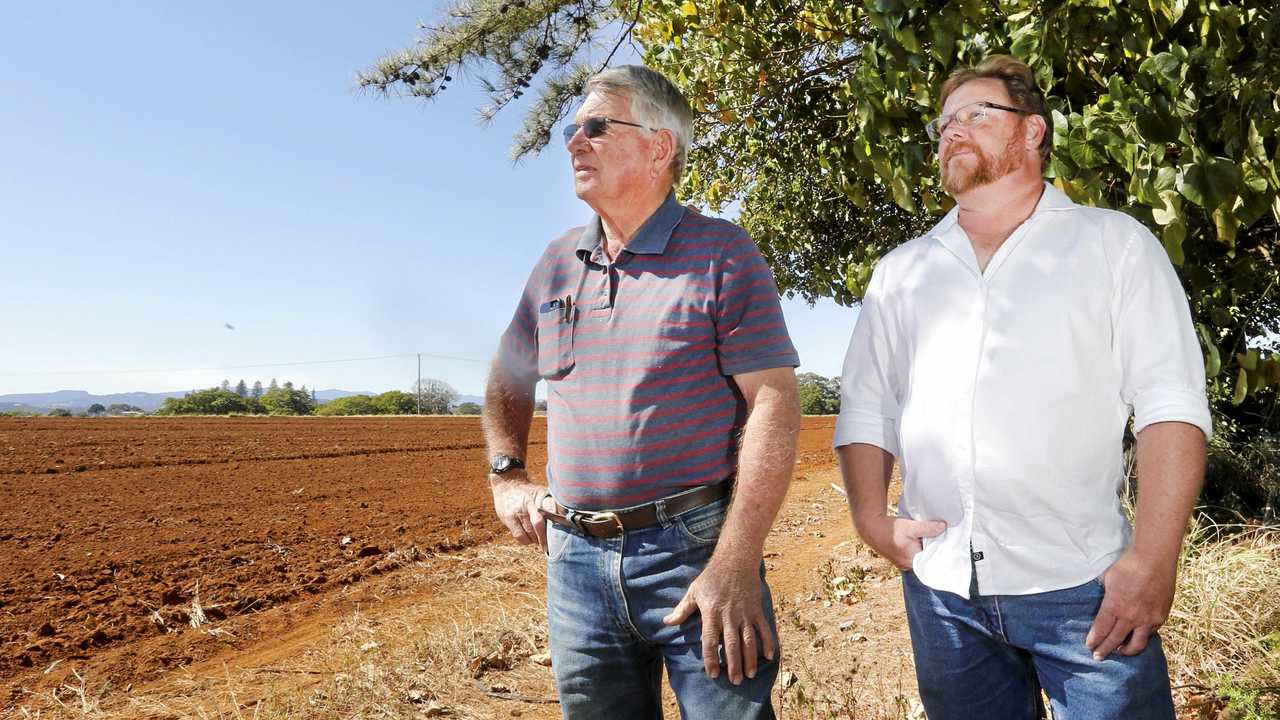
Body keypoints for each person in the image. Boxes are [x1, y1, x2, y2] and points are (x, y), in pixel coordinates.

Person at [832, 55, 1211, 720]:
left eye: (977, 114)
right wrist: (871, 518)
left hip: (1086, 592)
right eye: (945, 122)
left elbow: (1170, 406)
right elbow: (868, 404)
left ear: (1033, 131)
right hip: (944, 595)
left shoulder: (1113, 244)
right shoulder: (902, 271)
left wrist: (1154, 558)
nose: (954, 130)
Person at [482, 64, 801, 719]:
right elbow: (508, 374)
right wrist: (505, 474)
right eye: (572, 129)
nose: (575, 140)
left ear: (660, 146)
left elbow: (774, 402)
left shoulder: (722, 254)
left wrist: (736, 562)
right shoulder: (557, 262)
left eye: (596, 126)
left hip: (694, 555)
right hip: (573, 561)